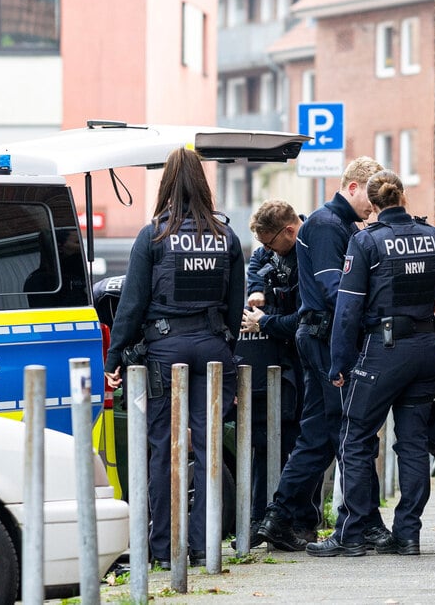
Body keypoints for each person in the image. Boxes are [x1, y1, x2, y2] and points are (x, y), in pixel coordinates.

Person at [307, 170, 435, 557]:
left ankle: (351, 534)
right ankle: (407, 534)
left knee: (356, 437)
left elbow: (348, 310)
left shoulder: (365, 242)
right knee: (414, 443)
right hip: (428, 350)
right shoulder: (433, 237)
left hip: (383, 352)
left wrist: (339, 364)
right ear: (403, 197)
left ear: (373, 204)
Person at [104, 147, 243, 569]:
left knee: (162, 447)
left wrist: (114, 358)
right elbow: (235, 307)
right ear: (203, 184)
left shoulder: (154, 236)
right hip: (213, 350)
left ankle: (163, 548)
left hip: (165, 351)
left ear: (166, 185)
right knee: (208, 448)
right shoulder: (226, 237)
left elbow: (131, 305)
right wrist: (226, 350)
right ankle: (203, 545)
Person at [256, 156, 389, 551]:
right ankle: (365, 523)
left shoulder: (338, 224)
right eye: (370, 198)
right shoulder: (329, 225)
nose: (374, 206)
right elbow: (337, 292)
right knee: (351, 431)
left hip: (321, 337)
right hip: (327, 339)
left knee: (319, 434)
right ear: (353, 187)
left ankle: (279, 516)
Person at [238, 200, 311, 547]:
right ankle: (261, 519)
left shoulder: (310, 252)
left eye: (271, 242)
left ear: (289, 231)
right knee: (267, 440)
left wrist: (265, 322)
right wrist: (256, 287)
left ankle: (299, 522)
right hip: (278, 361)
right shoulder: (271, 250)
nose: (268, 249)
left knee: (301, 442)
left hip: (304, 362)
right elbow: (257, 261)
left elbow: (305, 318)